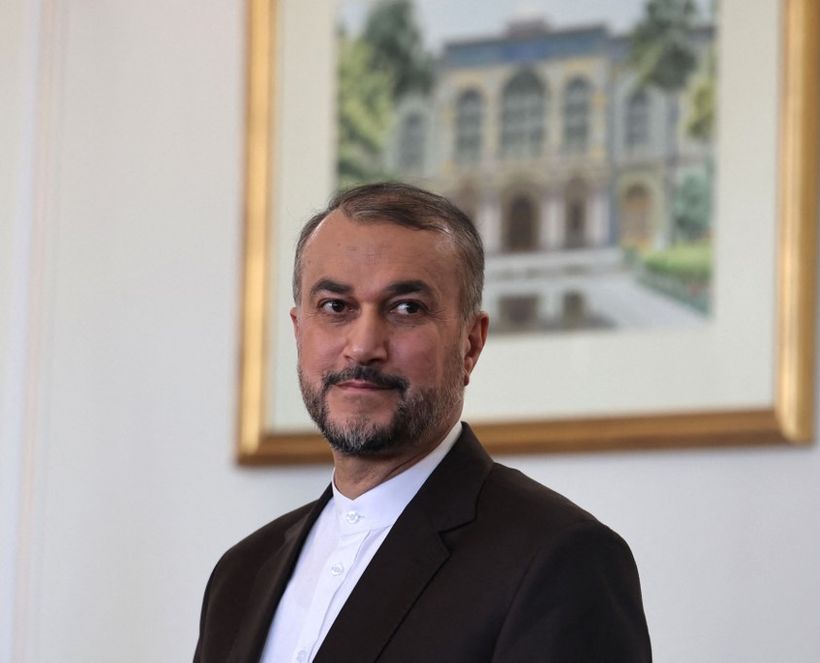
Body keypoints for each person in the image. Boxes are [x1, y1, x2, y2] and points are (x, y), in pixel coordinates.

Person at [194, 182, 652, 662]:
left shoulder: (560, 559)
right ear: (299, 331)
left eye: (406, 308)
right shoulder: (241, 573)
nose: (364, 344)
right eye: (336, 307)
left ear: (470, 344)